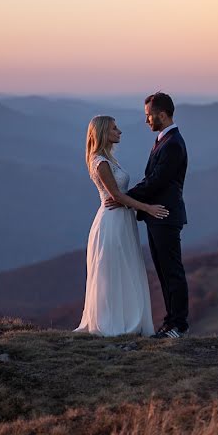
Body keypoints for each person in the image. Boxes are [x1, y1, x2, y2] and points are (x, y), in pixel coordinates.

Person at [105, 92, 190, 339]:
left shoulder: (172, 144)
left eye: (149, 116)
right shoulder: (165, 140)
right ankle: (170, 321)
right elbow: (153, 180)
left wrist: (124, 199)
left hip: (165, 216)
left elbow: (156, 181)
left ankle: (179, 325)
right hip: (156, 217)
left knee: (172, 271)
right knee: (164, 271)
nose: (146, 121)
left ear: (161, 115)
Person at [75, 116, 168, 337]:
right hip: (112, 222)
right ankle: (114, 323)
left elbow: (120, 195)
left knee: (124, 268)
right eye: (114, 128)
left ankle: (125, 319)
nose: (119, 131)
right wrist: (147, 208)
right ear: (103, 133)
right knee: (114, 270)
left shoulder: (108, 159)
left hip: (122, 220)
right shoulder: (101, 162)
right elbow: (116, 195)